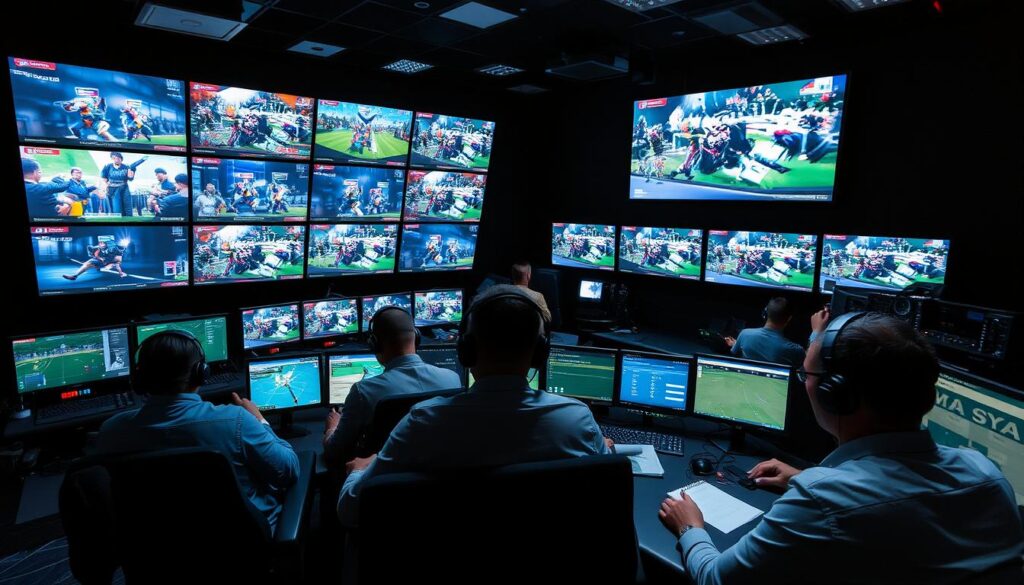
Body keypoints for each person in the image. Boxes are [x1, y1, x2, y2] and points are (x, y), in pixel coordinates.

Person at [658, 311, 1024, 584]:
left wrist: (690, 527)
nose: (804, 383)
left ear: (839, 395)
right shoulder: (987, 474)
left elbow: (715, 579)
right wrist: (805, 476)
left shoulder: (821, 500)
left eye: (808, 375)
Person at [337, 285, 611, 527]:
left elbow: (350, 510)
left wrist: (360, 471)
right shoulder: (577, 420)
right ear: (541, 354)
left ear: (464, 350)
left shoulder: (423, 421)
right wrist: (599, 448)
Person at [96, 331, 300, 532]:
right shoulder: (235, 420)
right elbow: (289, 470)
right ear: (201, 373)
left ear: (139, 377)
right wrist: (260, 419)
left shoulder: (111, 431)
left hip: (153, 555)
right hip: (241, 546)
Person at [322, 307, 461, 469]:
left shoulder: (363, 391)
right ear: (416, 338)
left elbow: (334, 451)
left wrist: (331, 428)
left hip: (382, 482)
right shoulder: (452, 379)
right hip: (436, 476)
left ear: (375, 344)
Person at [725, 297, 822, 368]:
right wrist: (816, 332)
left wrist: (737, 343)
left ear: (765, 313)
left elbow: (734, 353)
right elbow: (810, 362)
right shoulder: (794, 350)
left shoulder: (744, 334)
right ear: (789, 319)